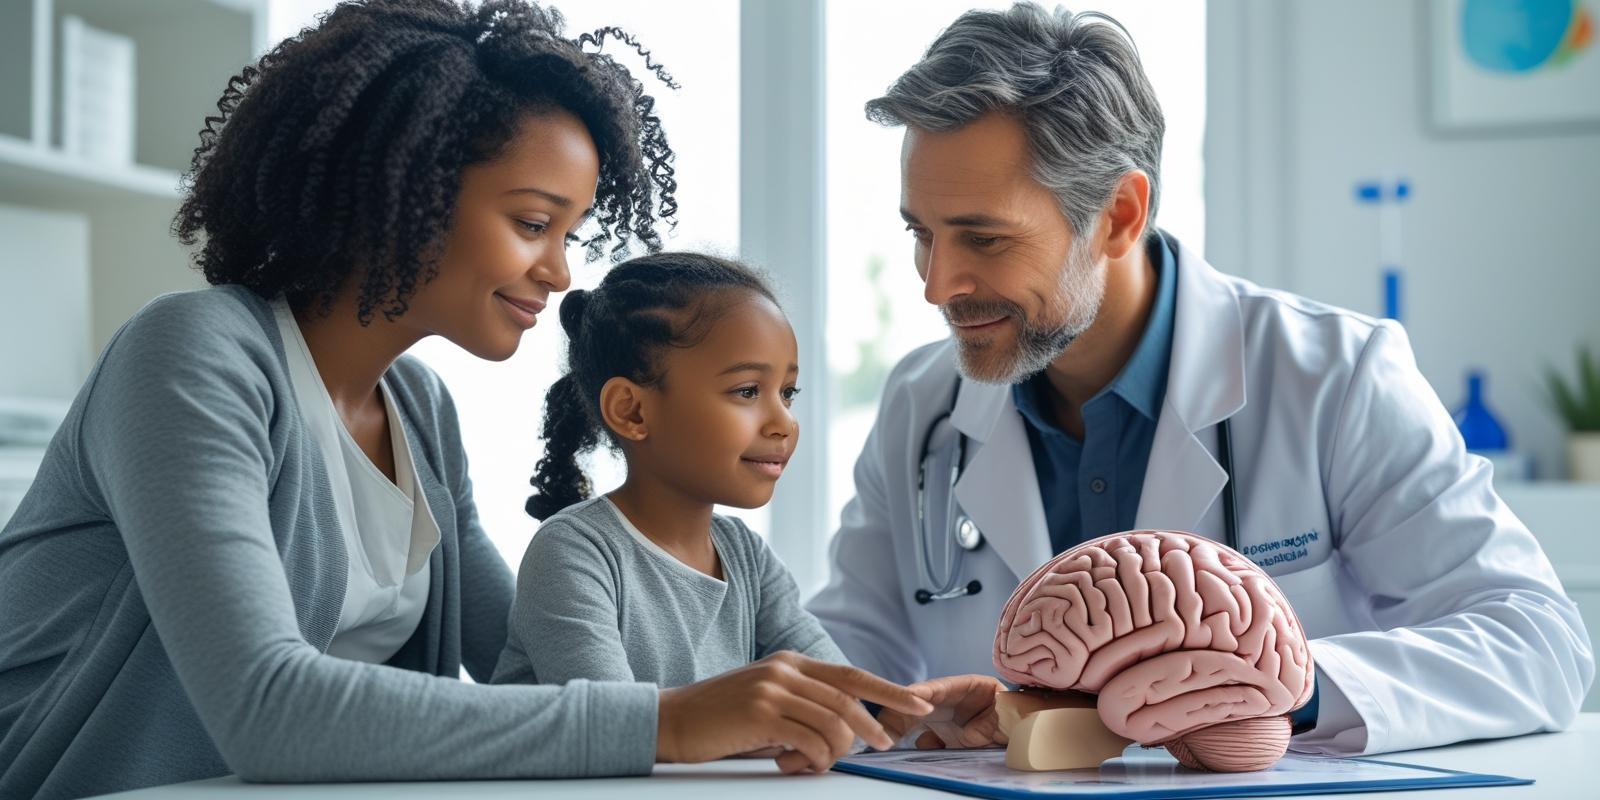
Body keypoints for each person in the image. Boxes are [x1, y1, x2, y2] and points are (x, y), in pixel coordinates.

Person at [0, 2, 927, 797]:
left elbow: (538, 668)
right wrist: (673, 721)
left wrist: (900, 715)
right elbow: (265, 708)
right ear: (400, 189)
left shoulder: (418, 410)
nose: (560, 272)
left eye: (570, 231)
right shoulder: (195, 356)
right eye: (532, 223)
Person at [809, 2, 1594, 757]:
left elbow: (1538, 642)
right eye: (921, 234)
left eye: (983, 237)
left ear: (1119, 214)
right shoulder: (924, 405)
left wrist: (1291, 686)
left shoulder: (1335, 376)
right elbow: (843, 656)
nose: (937, 284)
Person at [494, 253, 883, 772]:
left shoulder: (747, 556)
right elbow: (612, 727)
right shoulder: (573, 552)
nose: (784, 422)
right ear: (632, 410)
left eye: (787, 392)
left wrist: (923, 716)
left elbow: (840, 702)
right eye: (747, 391)